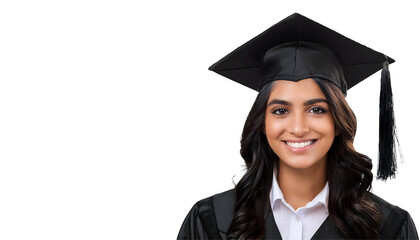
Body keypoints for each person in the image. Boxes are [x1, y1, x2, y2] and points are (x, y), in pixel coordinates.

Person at [177, 13, 419, 240]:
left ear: (337, 121)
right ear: (262, 123)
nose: (298, 128)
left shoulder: (388, 227)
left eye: (316, 110)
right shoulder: (211, 221)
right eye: (281, 111)